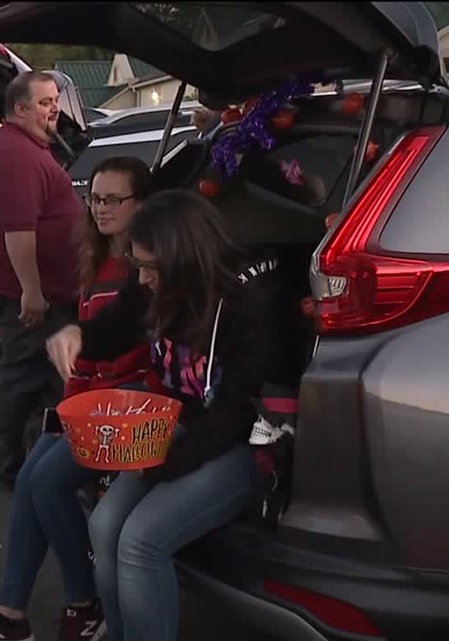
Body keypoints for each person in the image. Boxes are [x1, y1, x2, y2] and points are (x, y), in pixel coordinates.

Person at [45, 189, 284, 641]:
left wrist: (163, 465)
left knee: (140, 542)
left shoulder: (245, 306)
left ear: (184, 259)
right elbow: (116, 326)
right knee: (104, 525)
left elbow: (233, 418)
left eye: (151, 268)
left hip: (240, 445)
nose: (143, 279)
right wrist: (76, 335)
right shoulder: (151, 284)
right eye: (137, 265)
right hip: (178, 430)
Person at [0, 157, 157, 641]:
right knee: (29, 478)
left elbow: (134, 350)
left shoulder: (147, 270)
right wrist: (70, 403)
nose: (101, 209)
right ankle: (10, 615)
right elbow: (84, 355)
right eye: (95, 199)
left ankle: (84, 603)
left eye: (113, 199)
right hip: (89, 399)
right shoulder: (92, 261)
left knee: (47, 482)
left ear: (142, 204)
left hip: (129, 403)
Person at [0, 71, 84, 489]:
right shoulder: (16, 154)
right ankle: (12, 470)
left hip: (40, 288)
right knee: (22, 379)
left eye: (55, 101)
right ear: (19, 109)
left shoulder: (23, 147)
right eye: (44, 103)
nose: (54, 109)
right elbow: (19, 231)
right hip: (30, 291)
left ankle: (36, 461)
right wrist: (32, 291)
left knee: (42, 380)